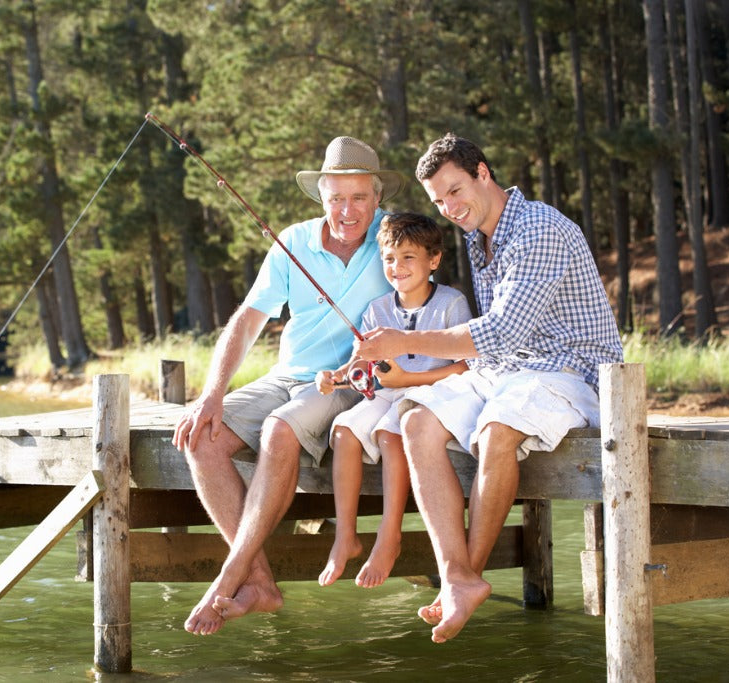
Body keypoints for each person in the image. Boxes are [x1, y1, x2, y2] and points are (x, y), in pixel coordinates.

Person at [354, 133, 623, 644]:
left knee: (496, 430)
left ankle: (463, 578)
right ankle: (458, 575)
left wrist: (404, 339)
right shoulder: (481, 237)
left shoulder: (538, 228)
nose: (450, 208)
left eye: (455, 190)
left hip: (573, 369)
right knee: (415, 420)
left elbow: (499, 332)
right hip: (511, 368)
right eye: (439, 201)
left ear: (483, 172)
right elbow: (498, 347)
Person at [172, 136, 406, 635]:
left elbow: (426, 291)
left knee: (281, 429)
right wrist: (212, 393)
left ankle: (230, 575)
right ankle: (260, 582)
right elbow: (246, 320)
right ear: (321, 197)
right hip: (287, 375)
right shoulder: (292, 242)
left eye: (359, 197)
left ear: (378, 196)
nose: (347, 211)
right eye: (336, 198)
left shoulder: (393, 239)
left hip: (350, 382)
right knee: (202, 437)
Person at [315, 212, 470, 589]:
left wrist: (410, 379)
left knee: (390, 433)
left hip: (434, 394)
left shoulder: (452, 303)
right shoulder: (377, 310)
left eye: (408, 257)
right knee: (344, 432)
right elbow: (359, 364)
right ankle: (345, 536)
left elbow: (465, 367)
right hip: (390, 392)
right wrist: (334, 378)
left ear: (433, 260)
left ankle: (389, 536)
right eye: (389, 258)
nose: (396, 267)